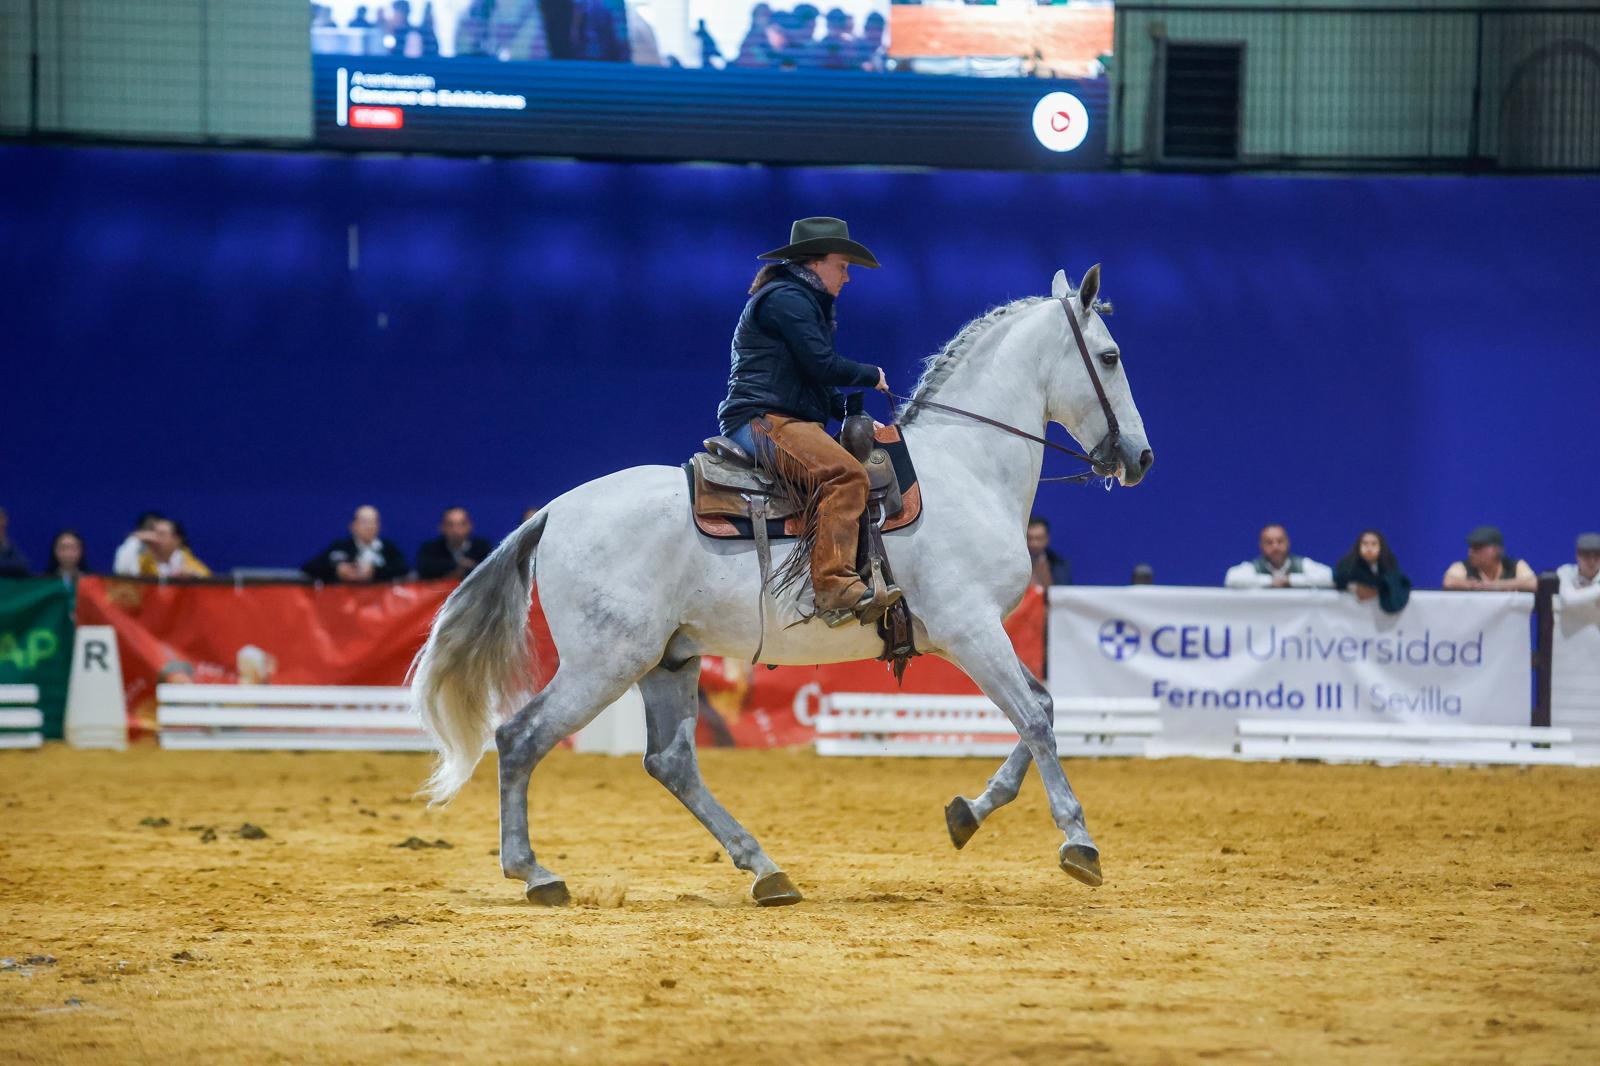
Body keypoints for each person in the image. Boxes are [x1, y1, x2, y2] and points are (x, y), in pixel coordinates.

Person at [716, 216, 895, 628]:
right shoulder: (788, 300)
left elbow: (810, 376)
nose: (847, 278)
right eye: (842, 266)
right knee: (846, 478)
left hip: (783, 417)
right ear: (815, 263)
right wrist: (870, 374)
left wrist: (844, 409)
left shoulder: (798, 300)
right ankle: (834, 586)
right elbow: (822, 363)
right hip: (764, 421)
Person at [302, 505, 410, 583]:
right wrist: (337, 571)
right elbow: (309, 567)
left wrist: (375, 572)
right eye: (364, 522)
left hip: (381, 608)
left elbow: (403, 569)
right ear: (353, 526)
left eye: (373, 522)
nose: (369, 527)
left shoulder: (388, 548)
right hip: (345, 605)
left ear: (378, 526)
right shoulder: (340, 546)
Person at [1224, 523, 1333, 589]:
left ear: (1287, 543)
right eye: (1269, 542)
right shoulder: (1254, 567)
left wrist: (1290, 580)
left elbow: (1328, 576)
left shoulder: (1301, 564)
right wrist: (1270, 581)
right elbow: (1232, 578)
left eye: (1280, 541)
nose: (1275, 547)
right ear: (1261, 546)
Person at [1333, 529, 1411, 613]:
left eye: (1374, 544)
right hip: (1351, 613)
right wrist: (1354, 588)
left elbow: (1397, 585)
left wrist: (1378, 591)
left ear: (1381, 547)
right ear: (1358, 546)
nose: (1369, 548)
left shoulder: (1389, 563)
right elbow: (1338, 579)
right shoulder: (1348, 564)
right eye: (1365, 544)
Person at [112, 515, 210, 579]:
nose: (156, 539)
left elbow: (207, 580)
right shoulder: (144, 561)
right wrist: (134, 541)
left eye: (162, 534)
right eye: (154, 534)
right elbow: (122, 573)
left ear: (177, 540)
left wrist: (193, 578)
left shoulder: (187, 561)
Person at [1442, 525, 1537, 592]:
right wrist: (1474, 585)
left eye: (1477, 547)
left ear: (1496, 550)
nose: (1471, 552)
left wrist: (1495, 585)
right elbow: (1449, 582)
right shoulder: (1463, 567)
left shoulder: (1514, 566)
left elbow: (1533, 583)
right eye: (1470, 547)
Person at [416, 506, 494, 579]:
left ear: (469, 526)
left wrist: (471, 567)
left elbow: (491, 571)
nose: (456, 530)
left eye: (461, 524)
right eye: (450, 525)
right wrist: (457, 565)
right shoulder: (430, 549)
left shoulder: (482, 547)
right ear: (442, 527)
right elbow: (424, 570)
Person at [1555, 531, 1600, 612]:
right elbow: (1569, 600)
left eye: (1597, 556)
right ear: (1577, 556)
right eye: (1586, 556)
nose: (1592, 561)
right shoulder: (1566, 572)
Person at [1026, 516, 1071, 587]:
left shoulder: (1058, 564)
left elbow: (1063, 591)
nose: (1034, 543)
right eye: (1030, 538)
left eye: (1038, 538)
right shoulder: (1015, 563)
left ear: (1047, 539)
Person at [0, 506, 32, 577]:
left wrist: (5, 546)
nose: (2, 523)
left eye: (2, 519)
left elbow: (22, 566)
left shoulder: (8, 547)